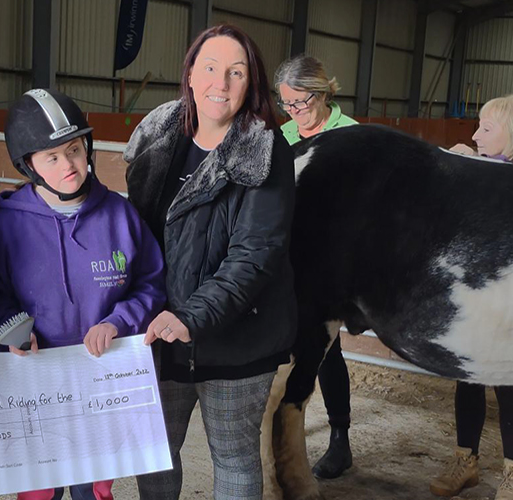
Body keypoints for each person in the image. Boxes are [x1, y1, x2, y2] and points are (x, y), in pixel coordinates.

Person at [125, 24, 298, 500]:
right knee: (157, 454)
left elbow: (256, 255)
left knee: (235, 458)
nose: (219, 84)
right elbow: (133, 236)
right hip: (161, 336)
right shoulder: (158, 139)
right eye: (210, 68)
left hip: (239, 340)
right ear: (190, 74)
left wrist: (191, 316)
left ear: (251, 83)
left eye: (235, 72)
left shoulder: (265, 150)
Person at [0, 88, 168, 500]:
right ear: (28, 165)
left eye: (74, 149)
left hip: (99, 384)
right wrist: (12, 332)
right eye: (51, 157)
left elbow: (150, 283)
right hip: (37, 382)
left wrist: (117, 321)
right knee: (37, 491)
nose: (69, 164)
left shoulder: (121, 216)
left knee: (94, 490)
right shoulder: (7, 226)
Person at [434, 94, 513, 500]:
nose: (475, 134)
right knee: (467, 377)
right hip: (477, 292)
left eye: (486, 128)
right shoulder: (480, 166)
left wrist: (478, 167)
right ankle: (465, 461)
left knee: (509, 382)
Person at [274, 53, 361, 480]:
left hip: (335, 259)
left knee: (328, 351)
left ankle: (340, 438)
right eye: (286, 104)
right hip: (293, 254)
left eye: (302, 102)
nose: (294, 112)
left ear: (324, 92)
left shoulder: (352, 136)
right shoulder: (283, 135)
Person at [276, 54, 360, 146]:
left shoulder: (353, 133)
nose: (293, 110)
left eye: (299, 102)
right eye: (286, 103)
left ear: (322, 94)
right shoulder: (282, 134)